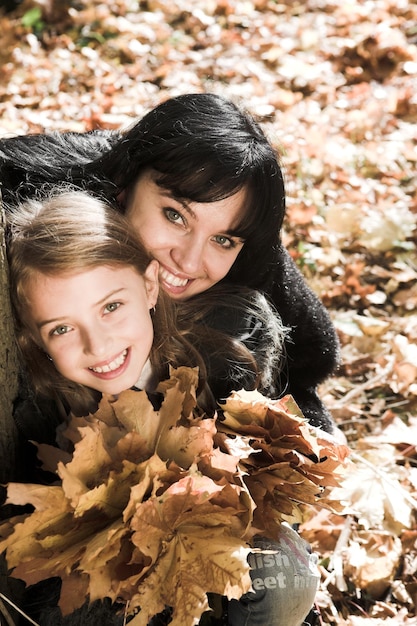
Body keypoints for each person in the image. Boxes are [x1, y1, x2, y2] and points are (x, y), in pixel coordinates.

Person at [3, 187, 319, 626]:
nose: (99, 345)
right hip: (130, 579)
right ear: (35, 340)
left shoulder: (225, 354)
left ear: (149, 286)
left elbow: (268, 474)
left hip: (219, 540)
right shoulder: (47, 420)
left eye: (111, 306)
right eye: (61, 329)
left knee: (284, 579)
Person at [0, 92, 340, 434]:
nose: (189, 262)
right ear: (124, 186)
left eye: (222, 240)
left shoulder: (252, 263)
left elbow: (308, 366)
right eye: (175, 216)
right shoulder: (53, 194)